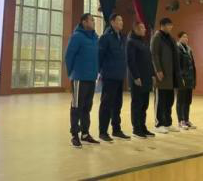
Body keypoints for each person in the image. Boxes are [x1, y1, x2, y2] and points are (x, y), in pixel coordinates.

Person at [65, 13, 100, 149]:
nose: (94, 22)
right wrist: (72, 73)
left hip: (91, 78)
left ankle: (85, 133)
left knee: (87, 107)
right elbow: (69, 56)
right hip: (79, 77)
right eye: (91, 20)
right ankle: (75, 135)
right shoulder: (77, 36)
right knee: (76, 107)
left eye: (94, 20)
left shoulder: (95, 38)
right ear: (84, 22)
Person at [98, 13, 130, 142]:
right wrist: (100, 72)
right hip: (109, 76)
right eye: (119, 20)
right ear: (112, 22)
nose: (121, 22)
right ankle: (103, 132)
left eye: (122, 20)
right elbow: (99, 56)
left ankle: (116, 130)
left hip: (119, 76)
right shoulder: (106, 37)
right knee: (106, 104)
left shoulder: (122, 37)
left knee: (117, 104)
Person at [150, 17, 182, 134]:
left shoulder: (170, 38)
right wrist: (158, 70)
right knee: (160, 100)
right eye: (169, 25)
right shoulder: (157, 37)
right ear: (162, 26)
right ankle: (158, 124)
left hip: (171, 75)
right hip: (162, 74)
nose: (171, 27)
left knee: (169, 100)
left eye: (171, 25)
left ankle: (168, 123)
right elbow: (154, 55)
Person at [126, 21, 155, 138]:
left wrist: (152, 74)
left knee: (144, 104)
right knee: (137, 104)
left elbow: (149, 60)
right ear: (136, 29)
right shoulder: (131, 42)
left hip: (146, 78)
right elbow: (131, 61)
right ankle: (136, 129)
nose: (145, 30)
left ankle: (143, 127)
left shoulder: (143, 42)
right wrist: (136, 76)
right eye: (142, 28)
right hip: (138, 79)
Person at [176, 31, 197, 130]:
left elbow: (192, 65)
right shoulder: (178, 49)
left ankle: (186, 120)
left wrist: (194, 79)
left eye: (187, 37)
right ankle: (181, 121)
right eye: (184, 37)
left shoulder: (189, 49)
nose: (186, 39)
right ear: (179, 38)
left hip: (190, 79)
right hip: (182, 79)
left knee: (188, 101)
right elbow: (178, 66)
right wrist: (181, 78)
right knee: (181, 100)